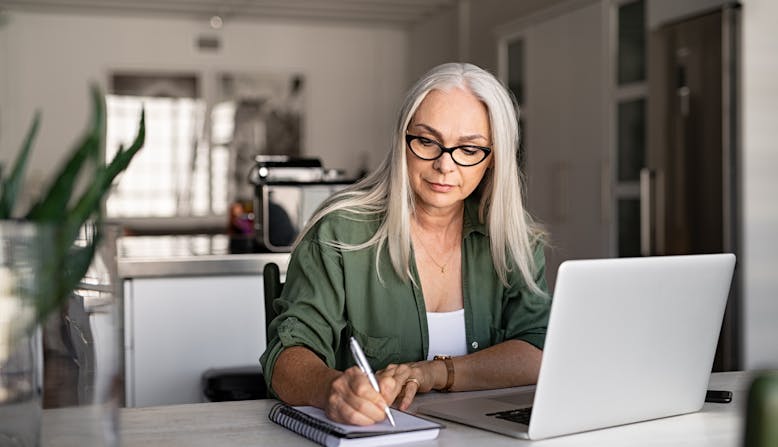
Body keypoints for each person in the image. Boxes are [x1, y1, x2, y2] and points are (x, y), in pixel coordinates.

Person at [260, 62, 551, 426]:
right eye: (427, 141)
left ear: (493, 159)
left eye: (469, 148)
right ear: (403, 141)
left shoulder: (513, 238)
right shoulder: (339, 231)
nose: (445, 166)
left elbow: (538, 350)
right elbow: (286, 356)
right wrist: (330, 388)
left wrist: (433, 373)